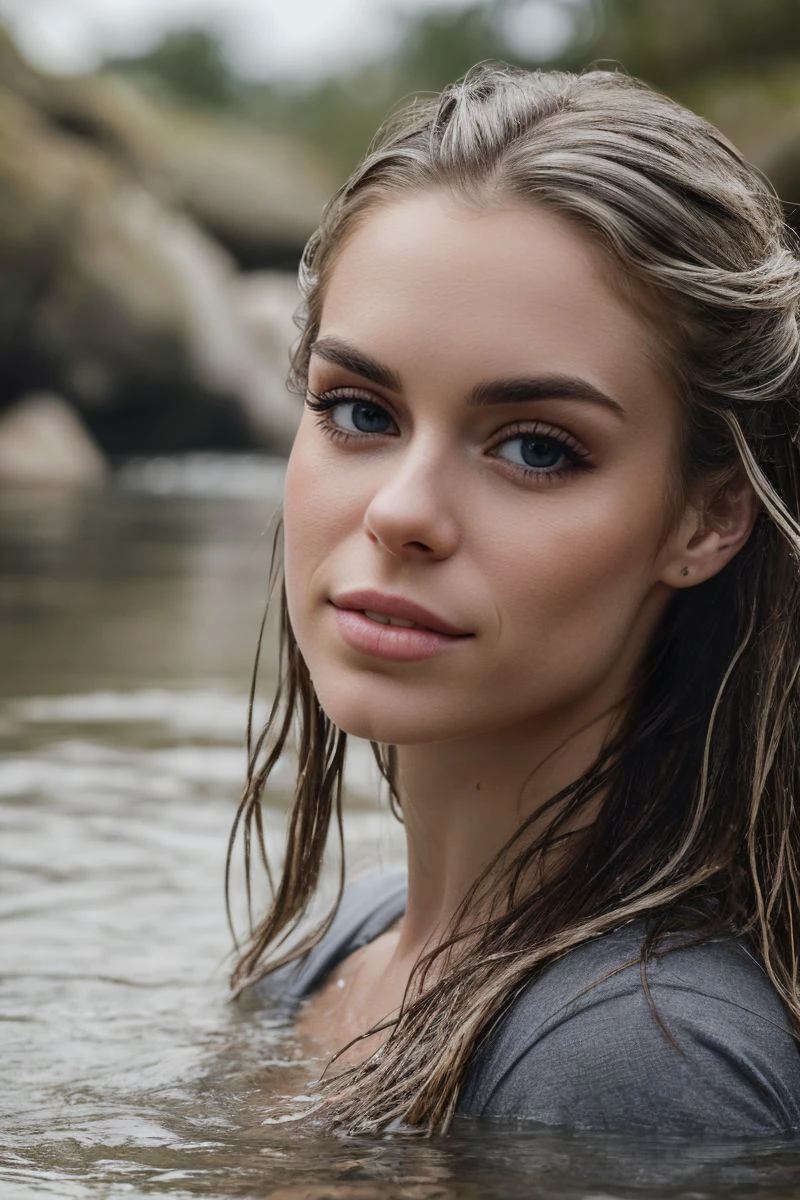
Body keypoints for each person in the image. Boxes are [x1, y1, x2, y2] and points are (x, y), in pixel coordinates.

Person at [226, 63, 800, 1136]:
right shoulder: (333, 951)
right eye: (357, 411)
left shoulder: (636, 1062)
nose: (402, 512)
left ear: (705, 518)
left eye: (535, 447)